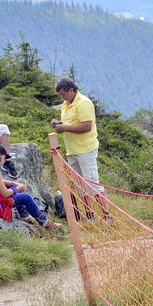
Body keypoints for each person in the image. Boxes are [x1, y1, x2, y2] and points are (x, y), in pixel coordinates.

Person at [50, 77, 111, 221]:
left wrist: (64, 128)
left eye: (64, 94)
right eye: (60, 94)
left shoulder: (83, 103)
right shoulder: (66, 105)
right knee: (80, 184)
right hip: (72, 150)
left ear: (72, 90)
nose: (62, 97)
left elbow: (86, 126)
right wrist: (58, 124)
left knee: (92, 182)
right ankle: (89, 214)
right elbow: (70, 122)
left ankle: (107, 215)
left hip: (86, 149)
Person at [0, 145, 60, 231]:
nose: (5, 161)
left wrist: (13, 183)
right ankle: (45, 223)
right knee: (26, 197)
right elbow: (5, 193)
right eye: (4, 158)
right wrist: (17, 189)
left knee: (16, 194)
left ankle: (25, 216)